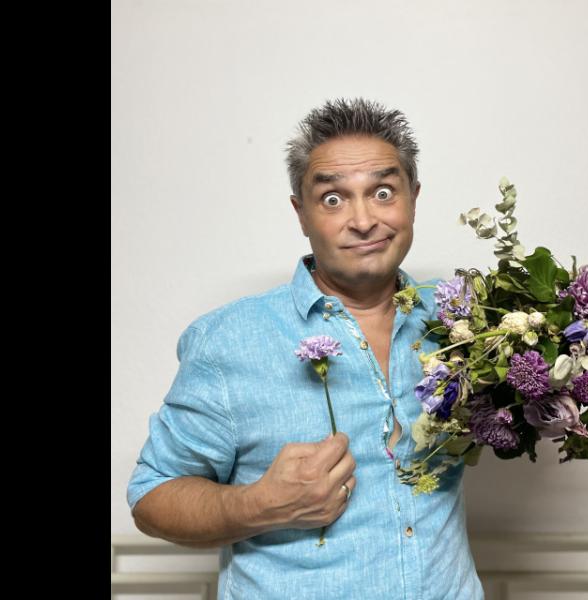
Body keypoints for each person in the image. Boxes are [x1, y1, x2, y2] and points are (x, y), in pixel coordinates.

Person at [127, 97, 484, 599]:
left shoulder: (467, 323)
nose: (363, 220)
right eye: (333, 199)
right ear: (301, 213)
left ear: (413, 198)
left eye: (383, 192)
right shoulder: (229, 340)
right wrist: (259, 505)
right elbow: (152, 498)